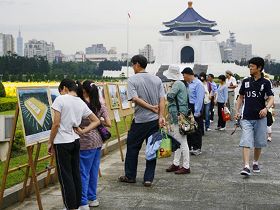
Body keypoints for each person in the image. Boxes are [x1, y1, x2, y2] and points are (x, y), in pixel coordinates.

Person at [48, 79, 100, 210]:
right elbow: (96, 121)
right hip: (75, 140)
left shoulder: (61, 99)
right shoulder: (80, 102)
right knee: (75, 173)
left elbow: (56, 124)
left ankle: (70, 206)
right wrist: (82, 131)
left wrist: (50, 142)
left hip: (62, 142)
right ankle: (78, 204)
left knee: (65, 176)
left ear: (64, 88)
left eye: (61, 91)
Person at [118, 54, 165, 187]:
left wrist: (150, 107)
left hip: (140, 121)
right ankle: (148, 178)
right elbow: (162, 100)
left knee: (132, 148)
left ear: (137, 64)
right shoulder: (157, 79)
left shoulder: (133, 80)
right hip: (154, 121)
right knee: (152, 148)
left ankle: (130, 176)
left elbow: (134, 98)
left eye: (133, 64)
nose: (133, 67)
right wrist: (161, 116)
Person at [235, 57, 274, 176]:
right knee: (246, 141)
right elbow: (241, 97)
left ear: (259, 68)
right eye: (249, 66)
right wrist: (237, 111)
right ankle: (246, 166)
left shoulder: (266, 82)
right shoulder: (246, 81)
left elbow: (271, 97)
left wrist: (266, 108)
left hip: (260, 118)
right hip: (246, 117)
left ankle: (255, 162)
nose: (250, 68)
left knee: (258, 143)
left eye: (252, 66)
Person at [76, 81, 111, 210]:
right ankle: (93, 198)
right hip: (98, 141)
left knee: (83, 172)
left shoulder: (80, 104)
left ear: (84, 90)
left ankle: (83, 201)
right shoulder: (100, 105)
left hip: (84, 141)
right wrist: (98, 120)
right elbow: (109, 123)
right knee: (93, 171)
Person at [163, 65, 190, 174]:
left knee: (182, 141)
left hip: (178, 116)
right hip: (179, 115)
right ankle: (176, 163)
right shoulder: (181, 83)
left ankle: (186, 166)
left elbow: (170, 96)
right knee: (178, 140)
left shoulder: (177, 84)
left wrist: (167, 91)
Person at [181, 67, 204, 156]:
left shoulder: (198, 84)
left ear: (188, 74)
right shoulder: (188, 84)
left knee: (196, 128)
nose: (183, 77)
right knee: (189, 128)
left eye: (184, 75)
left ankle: (197, 147)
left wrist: (197, 112)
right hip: (189, 106)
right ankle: (190, 146)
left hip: (196, 107)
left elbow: (199, 99)